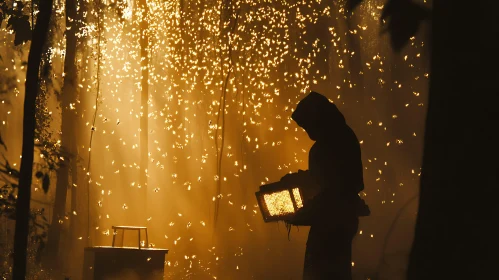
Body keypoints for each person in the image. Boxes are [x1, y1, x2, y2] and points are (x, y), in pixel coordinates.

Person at [281, 91, 369, 280]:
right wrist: (296, 179)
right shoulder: (338, 137)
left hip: (333, 223)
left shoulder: (334, 142)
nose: (307, 131)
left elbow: (335, 186)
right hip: (336, 219)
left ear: (317, 119)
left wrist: (307, 211)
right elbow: (322, 177)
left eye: (306, 125)